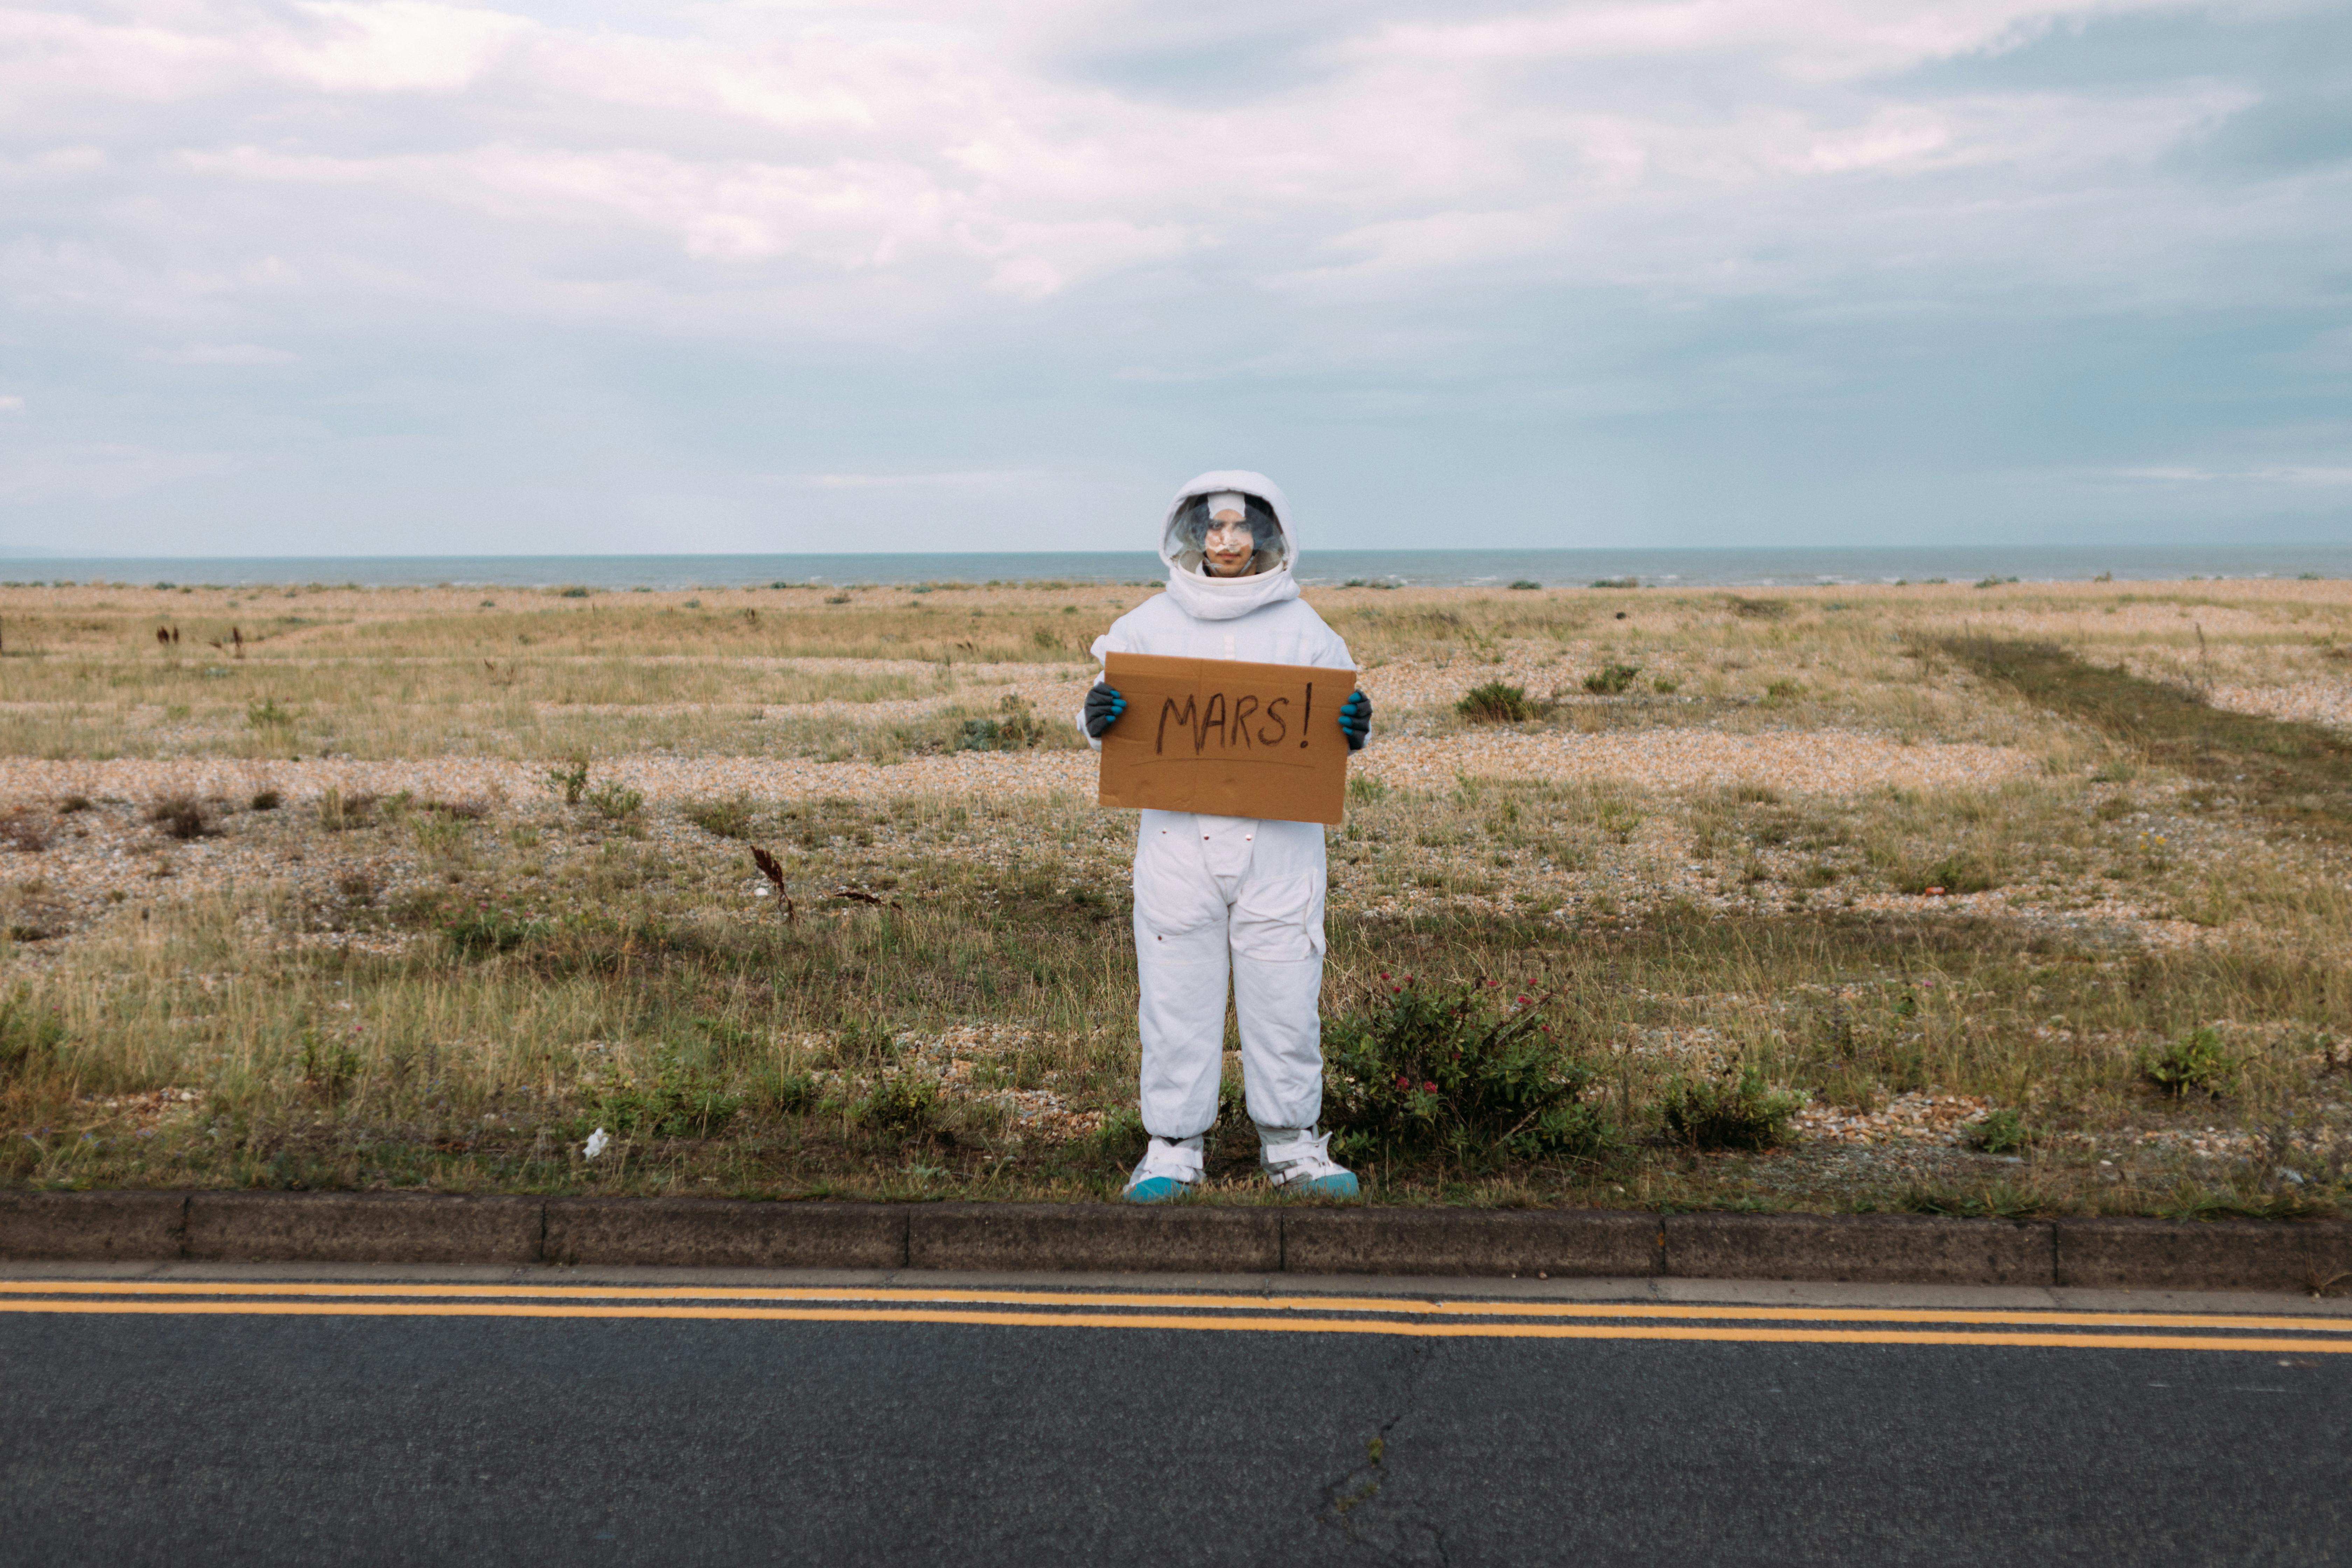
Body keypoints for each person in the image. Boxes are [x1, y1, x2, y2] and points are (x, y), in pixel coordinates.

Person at [1078, 471, 1374, 1202]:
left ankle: (1293, 1141)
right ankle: (1173, 1143)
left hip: (1281, 846)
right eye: (1214, 527)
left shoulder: (1306, 629)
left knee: (1285, 988)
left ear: (1270, 535)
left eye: (1243, 527)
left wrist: (1355, 727)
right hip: (1179, 842)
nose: (1229, 542)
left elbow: (1339, 715)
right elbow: (1106, 721)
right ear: (1191, 534)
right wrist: (1096, 717)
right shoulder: (1148, 623)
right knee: (1176, 991)